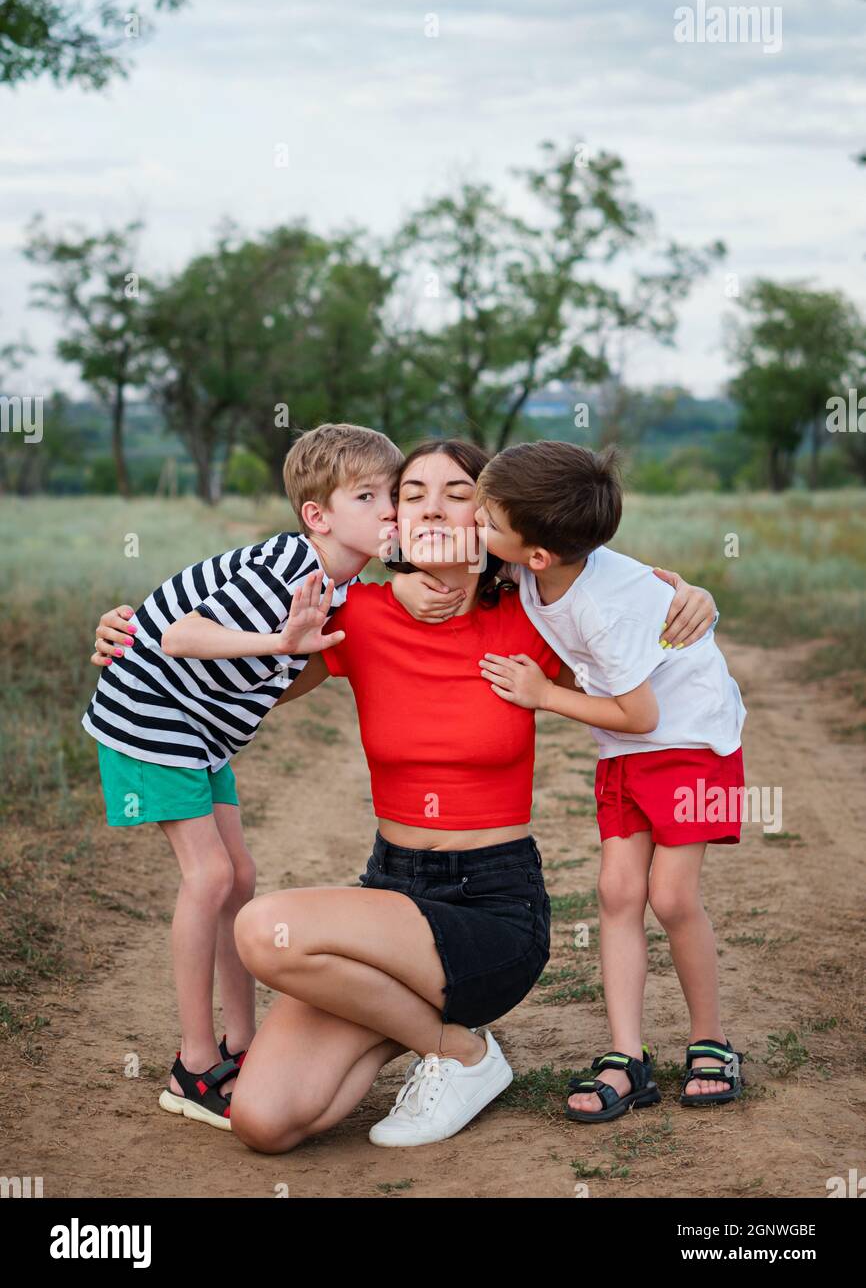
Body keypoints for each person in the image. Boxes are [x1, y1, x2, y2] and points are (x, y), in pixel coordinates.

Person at [92, 437, 715, 1150]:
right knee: (265, 1121)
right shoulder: (354, 615)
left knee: (264, 929)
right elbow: (237, 678)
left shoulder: (535, 615)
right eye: (411, 492)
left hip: (492, 910)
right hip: (390, 895)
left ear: (490, 516)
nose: (432, 506)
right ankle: (445, 1040)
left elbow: (623, 598)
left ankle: (461, 1056)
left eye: (458, 492)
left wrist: (695, 596)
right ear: (394, 520)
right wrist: (131, 637)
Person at [82, 422, 404, 1128]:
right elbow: (179, 636)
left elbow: (285, 675)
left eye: (393, 495)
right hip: (153, 714)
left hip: (201, 732)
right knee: (211, 878)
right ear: (318, 515)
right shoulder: (292, 569)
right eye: (368, 496)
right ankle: (193, 1065)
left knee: (242, 876)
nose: (390, 511)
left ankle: (242, 1042)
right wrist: (280, 640)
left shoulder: (339, 586)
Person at [471, 439, 747, 1121]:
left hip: (694, 740)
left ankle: (710, 1039)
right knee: (617, 889)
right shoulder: (534, 564)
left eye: (486, 520)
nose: (477, 528)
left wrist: (542, 695)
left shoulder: (602, 602)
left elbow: (640, 709)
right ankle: (629, 1056)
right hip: (628, 748)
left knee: (672, 896)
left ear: (535, 553)